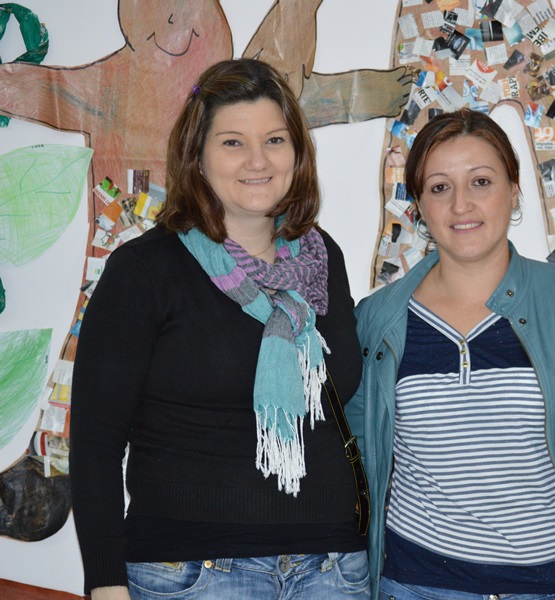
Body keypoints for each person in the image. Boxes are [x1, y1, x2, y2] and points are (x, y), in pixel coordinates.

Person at [70, 59, 369, 600]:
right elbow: (95, 443)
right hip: (194, 573)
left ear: (297, 153)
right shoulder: (145, 270)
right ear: (198, 157)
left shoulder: (324, 259)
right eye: (233, 143)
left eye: (275, 140)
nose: (258, 160)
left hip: (333, 569)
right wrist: (106, 581)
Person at [345, 109, 555, 600]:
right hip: (414, 587)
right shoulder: (377, 319)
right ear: (418, 206)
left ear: (514, 190)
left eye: (481, 181)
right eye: (439, 187)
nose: (461, 205)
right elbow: (360, 465)